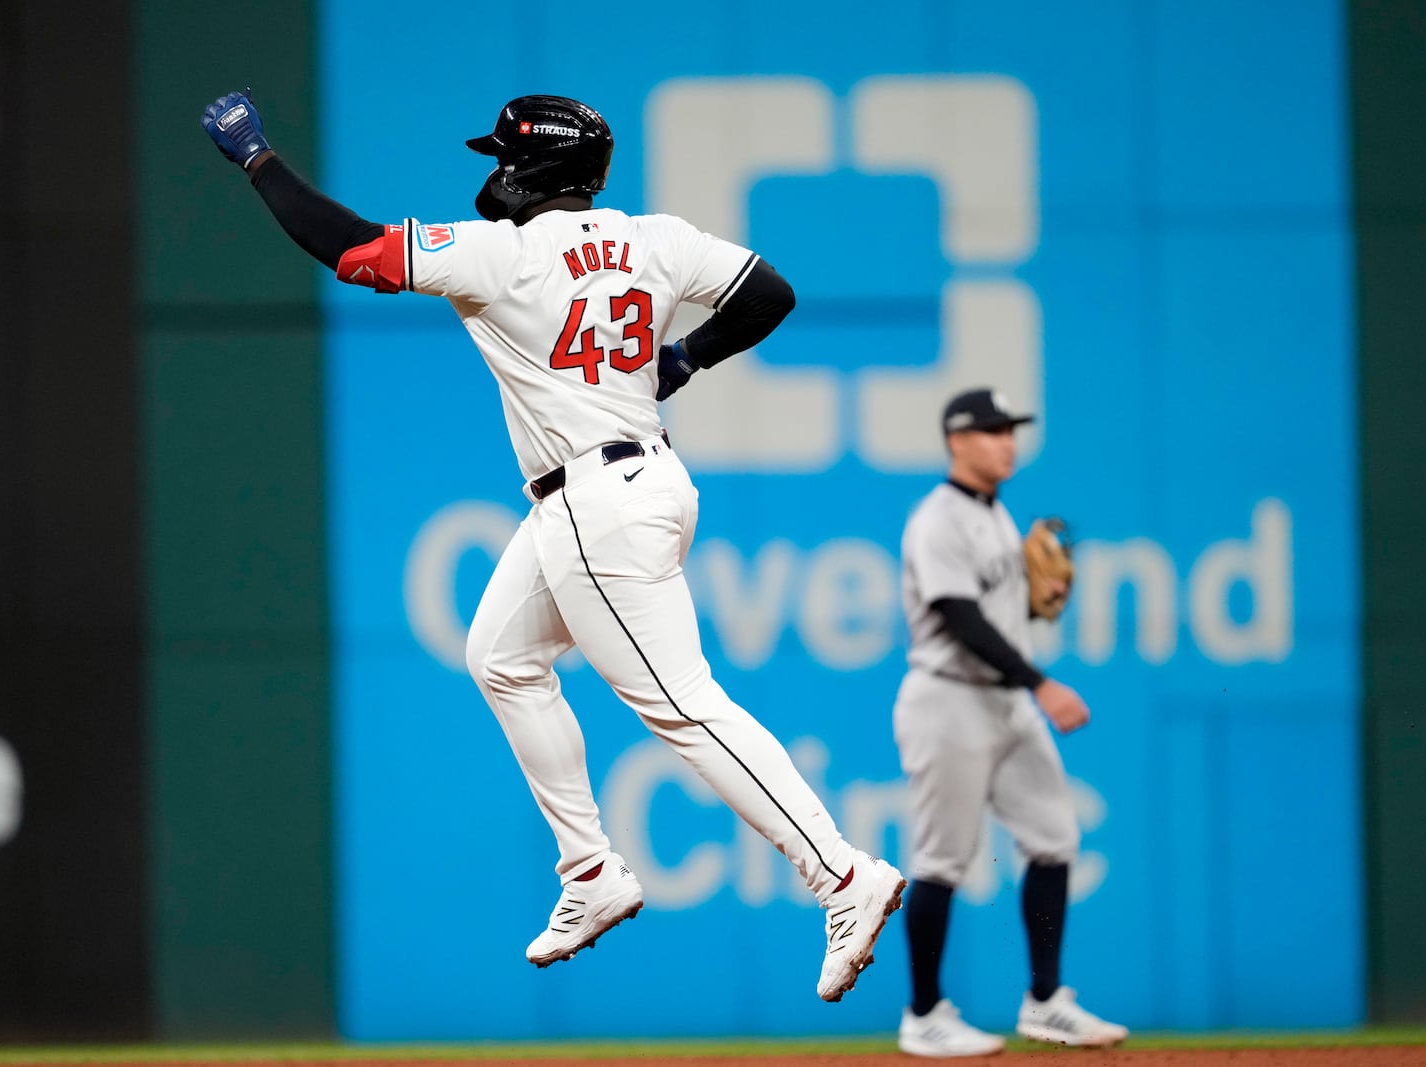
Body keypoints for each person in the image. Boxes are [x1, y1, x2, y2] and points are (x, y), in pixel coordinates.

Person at [200, 90, 905, 1002]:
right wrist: (681, 360)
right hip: (630, 482)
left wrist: (258, 157)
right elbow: (770, 293)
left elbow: (351, 247)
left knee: (683, 708)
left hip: (595, 505)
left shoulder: (503, 252)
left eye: (502, 154)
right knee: (499, 656)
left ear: (534, 165)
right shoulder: (656, 238)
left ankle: (841, 877)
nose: (491, 169)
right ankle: (591, 871)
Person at [892, 388, 1129, 1055]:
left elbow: (994, 615)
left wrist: (1033, 602)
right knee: (942, 859)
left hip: (1004, 702)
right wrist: (1041, 681)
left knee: (1055, 837)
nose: (1007, 441)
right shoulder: (938, 518)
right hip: (948, 698)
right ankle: (925, 1013)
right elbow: (957, 618)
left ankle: (1047, 1000)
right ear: (957, 439)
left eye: (1011, 430)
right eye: (992, 430)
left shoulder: (997, 516)